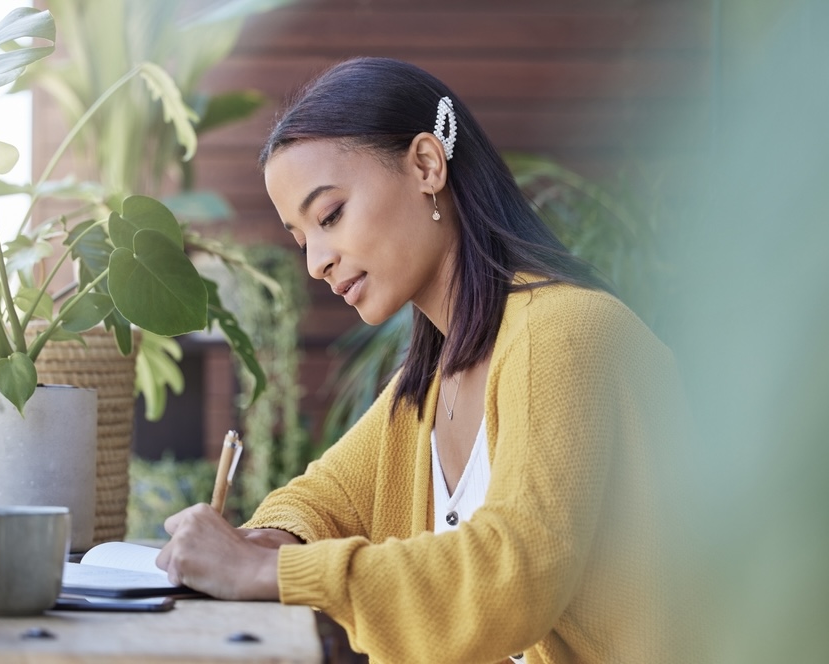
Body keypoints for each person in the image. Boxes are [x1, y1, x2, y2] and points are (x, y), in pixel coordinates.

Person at [157, 57, 690, 664]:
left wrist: (267, 570)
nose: (316, 262)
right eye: (302, 239)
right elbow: (323, 499)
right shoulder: (431, 382)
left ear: (427, 165)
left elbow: (513, 576)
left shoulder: (562, 333)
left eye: (330, 215)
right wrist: (266, 541)